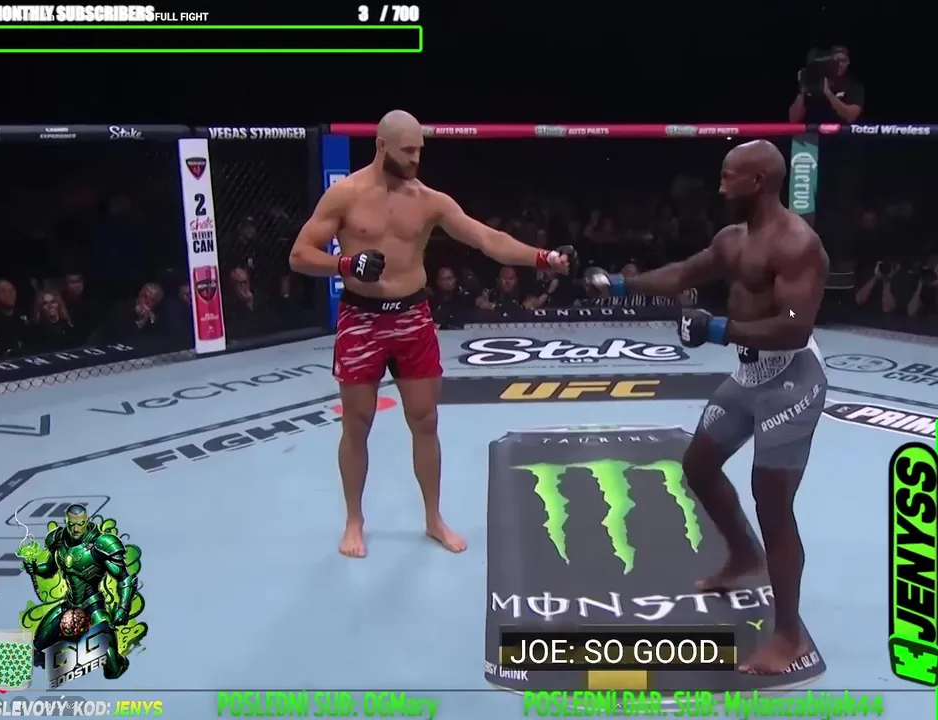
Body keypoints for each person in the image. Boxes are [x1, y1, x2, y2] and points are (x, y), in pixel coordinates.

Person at [582, 139, 829, 674]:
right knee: (697, 465)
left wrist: (717, 329)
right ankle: (744, 555)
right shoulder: (732, 239)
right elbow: (681, 275)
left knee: (773, 503)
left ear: (757, 181)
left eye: (729, 176)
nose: (720, 187)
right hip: (750, 374)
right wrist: (620, 285)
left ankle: (789, 636)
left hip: (792, 379)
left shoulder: (797, 244)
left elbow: (794, 326)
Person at [288, 110, 573, 559]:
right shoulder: (345, 195)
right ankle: (354, 520)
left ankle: (433, 518)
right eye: (407, 151)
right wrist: (345, 265)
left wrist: (543, 258)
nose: (415, 159)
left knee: (425, 421)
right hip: (362, 318)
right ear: (381, 146)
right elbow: (300, 255)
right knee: (357, 424)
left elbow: (488, 239)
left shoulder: (429, 200)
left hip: (413, 317)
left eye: (419, 150)